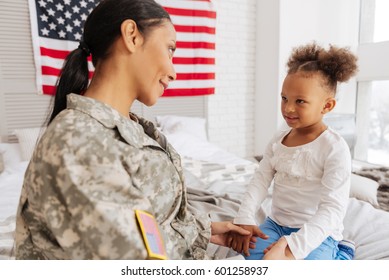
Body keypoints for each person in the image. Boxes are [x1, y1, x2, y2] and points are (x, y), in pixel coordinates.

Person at [14, 0, 261, 260]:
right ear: (132, 36)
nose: (173, 71)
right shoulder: (79, 142)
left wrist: (202, 230)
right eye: (169, 49)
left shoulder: (127, 127)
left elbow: (143, 220)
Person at [229, 42, 358, 260]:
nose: (288, 108)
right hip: (276, 225)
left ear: (326, 106)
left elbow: (332, 210)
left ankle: (342, 252)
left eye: (300, 101)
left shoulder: (334, 148)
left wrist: (291, 248)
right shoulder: (279, 139)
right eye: (284, 98)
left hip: (317, 232)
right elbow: (260, 179)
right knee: (250, 260)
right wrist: (245, 216)